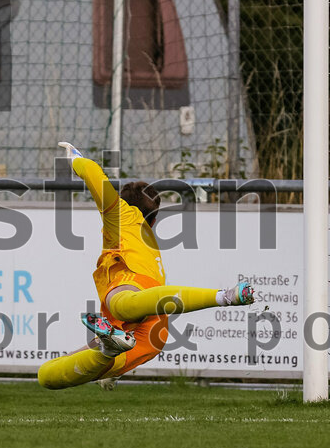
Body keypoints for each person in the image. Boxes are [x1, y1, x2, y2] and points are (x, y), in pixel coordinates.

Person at [37, 142, 254, 390]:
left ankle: (225, 297)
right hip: (148, 338)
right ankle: (108, 350)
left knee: (121, 305)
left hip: (130, 309)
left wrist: (76, 159)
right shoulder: (151, 245)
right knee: (48, 376)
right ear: (156, 216)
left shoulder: (123, 214)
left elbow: (97, 177)